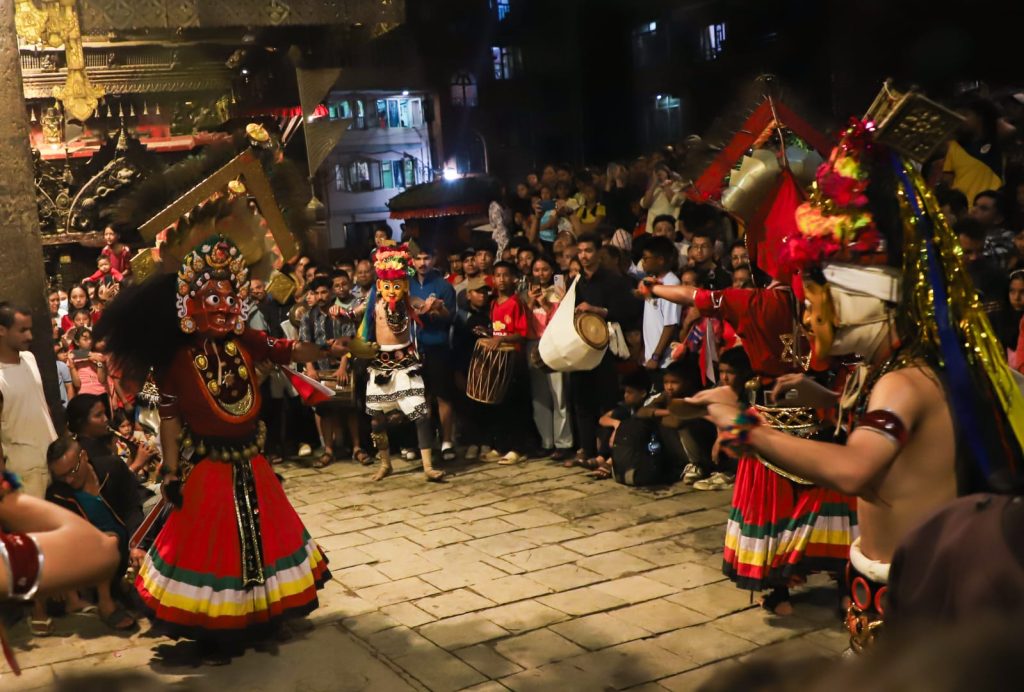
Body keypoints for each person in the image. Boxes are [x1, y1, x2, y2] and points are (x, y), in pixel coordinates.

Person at [689, 116, 1024, 650]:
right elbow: (883, 450)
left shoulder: (904, 382)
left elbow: (854, 468)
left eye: (814, 306)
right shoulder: (899, 373)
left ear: (855, 303)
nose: (808, 321)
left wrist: (749, 429)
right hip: (893, 586)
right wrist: (821, 396)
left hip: (915, 596)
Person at [356, 244, 445, 482]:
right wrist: (339, 312)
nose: (392, 291)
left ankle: (427, 466)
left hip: (405, 362)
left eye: (397, 285)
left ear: (405, 285)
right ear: (379, 286)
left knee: (421, 414)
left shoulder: (410, 300)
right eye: (387, 286)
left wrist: (434, 305)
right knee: (376, 420)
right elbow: (354, 314)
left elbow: (426, 306)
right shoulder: (373, 303)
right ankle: (385, 463)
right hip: (380, 363)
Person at [0, 302, 59, 637]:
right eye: (22, 330)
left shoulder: (32, 360)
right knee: (31, 542)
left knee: (55, 537)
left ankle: (70, 598)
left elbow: (43, 406)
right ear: (1, 330)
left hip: (50, 458)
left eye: (30, 329)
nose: (30, 336)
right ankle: (38, 610)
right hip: (22, 468)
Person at [45, 435, 141, 632]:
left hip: (128, 541)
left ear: (84, 456)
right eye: (61, 476)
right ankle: (106, 604)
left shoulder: (111, 468)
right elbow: (59, 538)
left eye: (72, 471)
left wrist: (137, 543)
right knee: (107, 541)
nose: (69, 479)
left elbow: (133, 507)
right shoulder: (57, 493)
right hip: (93, 556)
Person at [571, 233, 643, 466]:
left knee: (607, 400)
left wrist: (596, 309)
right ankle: (587, 450)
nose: (584, 256)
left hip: (606, 349)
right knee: (582, 401)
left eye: (588, 251)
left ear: (599, 254)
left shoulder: (614, 280)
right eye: (580, 251)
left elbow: (626, 311)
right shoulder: (575, 281)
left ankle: (607, 452)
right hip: (581, 349)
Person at [478, 262, 531, 465]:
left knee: (515, 406)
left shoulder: (517, 303)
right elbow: (495, 331)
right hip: (497, 361)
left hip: (514, 361)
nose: (501, 279)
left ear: (513, 278)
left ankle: (518, 448)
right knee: (498, 404)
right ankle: (500, 445)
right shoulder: (493, 303)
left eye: (505, 275)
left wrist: (502, 339)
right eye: (498, 275)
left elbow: (522, 334)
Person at [408, 245, 458, 462]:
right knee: (420, 398)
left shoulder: (444, 286)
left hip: (438, 347)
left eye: (426, 257)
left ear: (434, 258)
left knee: (443, 396)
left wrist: (438, 309)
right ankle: (424, 444)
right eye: (417, 258)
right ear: (411, 261)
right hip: (413, 349)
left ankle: (447, 442)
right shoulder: (405, 286)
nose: (422, 263)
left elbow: (451, 317)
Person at [523, 256, 572, 459]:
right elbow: (522, 321)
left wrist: (546, 305)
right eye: (536, 269)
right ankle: (546, 441)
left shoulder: (559, 287)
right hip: (533, 345)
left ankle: (564, 443)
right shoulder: (527, 291)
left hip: (553, 343)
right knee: (539, 396)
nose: (540, 273)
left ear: (552, 270)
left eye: (544, 269)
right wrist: (530, 302)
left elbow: (562, 319)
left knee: (559, 394)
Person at [640, 236, 682, 378]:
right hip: (651, 358)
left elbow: (670, 324)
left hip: (664, 362)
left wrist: (656, 356)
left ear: (660, 260)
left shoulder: (671, 284)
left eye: (646, 258)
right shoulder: (652, 282)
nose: (642, 262)